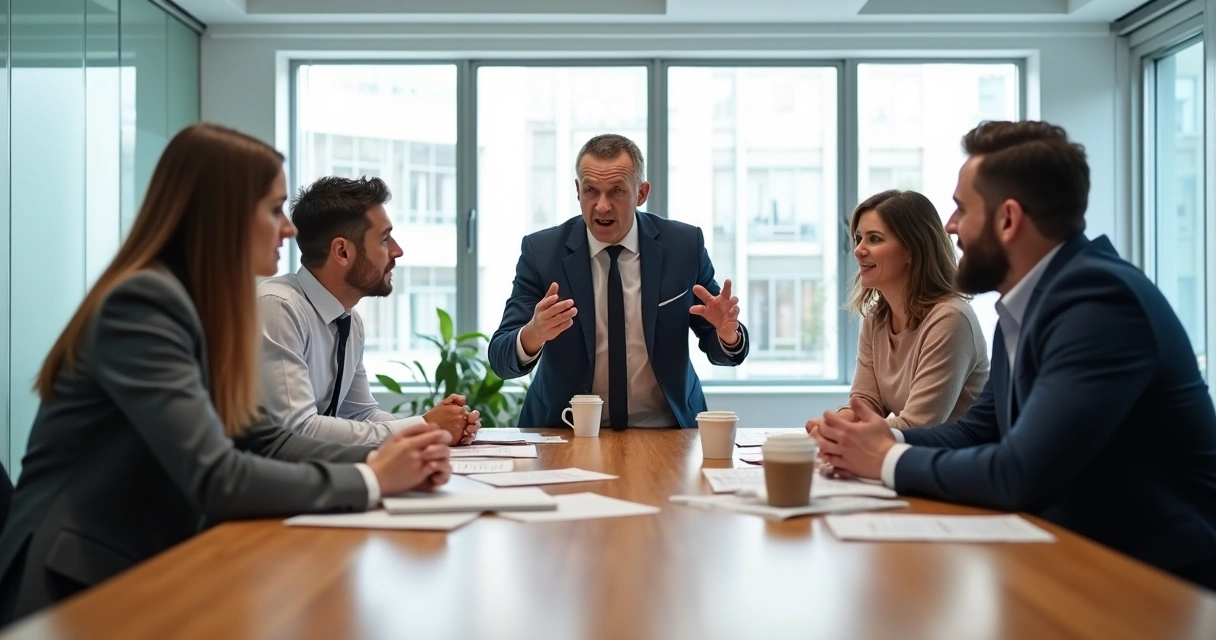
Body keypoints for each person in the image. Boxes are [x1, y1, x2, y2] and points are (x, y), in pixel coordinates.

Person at [0, 124, 453, 623]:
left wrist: (395, 456)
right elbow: (215, 475)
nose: (289, 229)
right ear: (224, 214)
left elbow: (268, 439)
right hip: (77, 580)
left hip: (153, 560)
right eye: (273, 209)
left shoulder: (211, 306)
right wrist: (372, 478)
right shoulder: (144, 303)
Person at [811, 120, 1216, 590]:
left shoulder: (1099, 301)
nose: (949, 226)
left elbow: (1019, 472)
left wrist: (884, 458)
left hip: (1161, 576)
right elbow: (978, 430)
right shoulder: (1027, 305)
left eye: (962, 209)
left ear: (1007, 219)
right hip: (1079, 556)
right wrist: (880, 442)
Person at [488, 133, 749, 429]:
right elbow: (500, 359)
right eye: (591, 190)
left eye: (616, 191)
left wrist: (728, 333)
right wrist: (533, 333)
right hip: (566, 431)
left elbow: (723, 350)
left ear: (641, 193)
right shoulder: (542, 253)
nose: (601, 206)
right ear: (577, 190)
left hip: (667, 431)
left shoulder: (683, 247)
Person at [258, 176, 480, 446]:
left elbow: (361, 413)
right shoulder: (279, 308)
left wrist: (434, 429)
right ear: (342, 252)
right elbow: (297, 430)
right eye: (385, 239)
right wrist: (424, 426)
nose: (397, 251)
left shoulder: (349, 319)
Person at [807, 190, 988, 435]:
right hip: (913, 461)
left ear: (911, 250)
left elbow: (918, 426)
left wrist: (844, 432)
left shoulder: (951, 318)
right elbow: (866, 402)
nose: (858, 250)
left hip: (958, 466)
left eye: (874, 239)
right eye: (859, 238)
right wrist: (838, 421)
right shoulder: (876, 318)